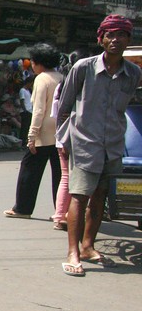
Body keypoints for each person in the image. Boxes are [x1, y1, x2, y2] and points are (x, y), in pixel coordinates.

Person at [57, 15, 141, 276]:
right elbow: (65, 106)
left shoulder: (133, 73)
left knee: (100, 199)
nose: (115, 40)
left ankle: (88, 246)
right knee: (79, 197)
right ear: (101, 39)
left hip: (113, 145)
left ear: (128, 39)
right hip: (84, 144)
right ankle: (72, 252)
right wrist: (63, 140)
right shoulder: (83, 67)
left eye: (121, 35)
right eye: (110, 35)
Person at [3, 43, 62, 219]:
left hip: (44, 133)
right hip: (61, 132)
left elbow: (38, 110)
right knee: (60, 175)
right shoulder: (62, 77)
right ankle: (61, 212)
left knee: (29, 169)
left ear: (38, 62)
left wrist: (32, 135)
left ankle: (23, 208)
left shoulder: (42, 79)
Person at [50, 49, 90, 231]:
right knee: (70, 178)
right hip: (76, 138)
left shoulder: (62, 84)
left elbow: (56, 114)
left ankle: (61, 215)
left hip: (65, 137)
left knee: (67, 178)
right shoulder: (82, 85)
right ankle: (61, 215)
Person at [18, 75, 33, 145]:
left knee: (28, 127)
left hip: (30, 110)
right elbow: (22, 100)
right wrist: (25, 110)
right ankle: (22, 142)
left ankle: (26, 141)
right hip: (26, 111)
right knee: (24, 127)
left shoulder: (28, 91)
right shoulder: (22, 90)